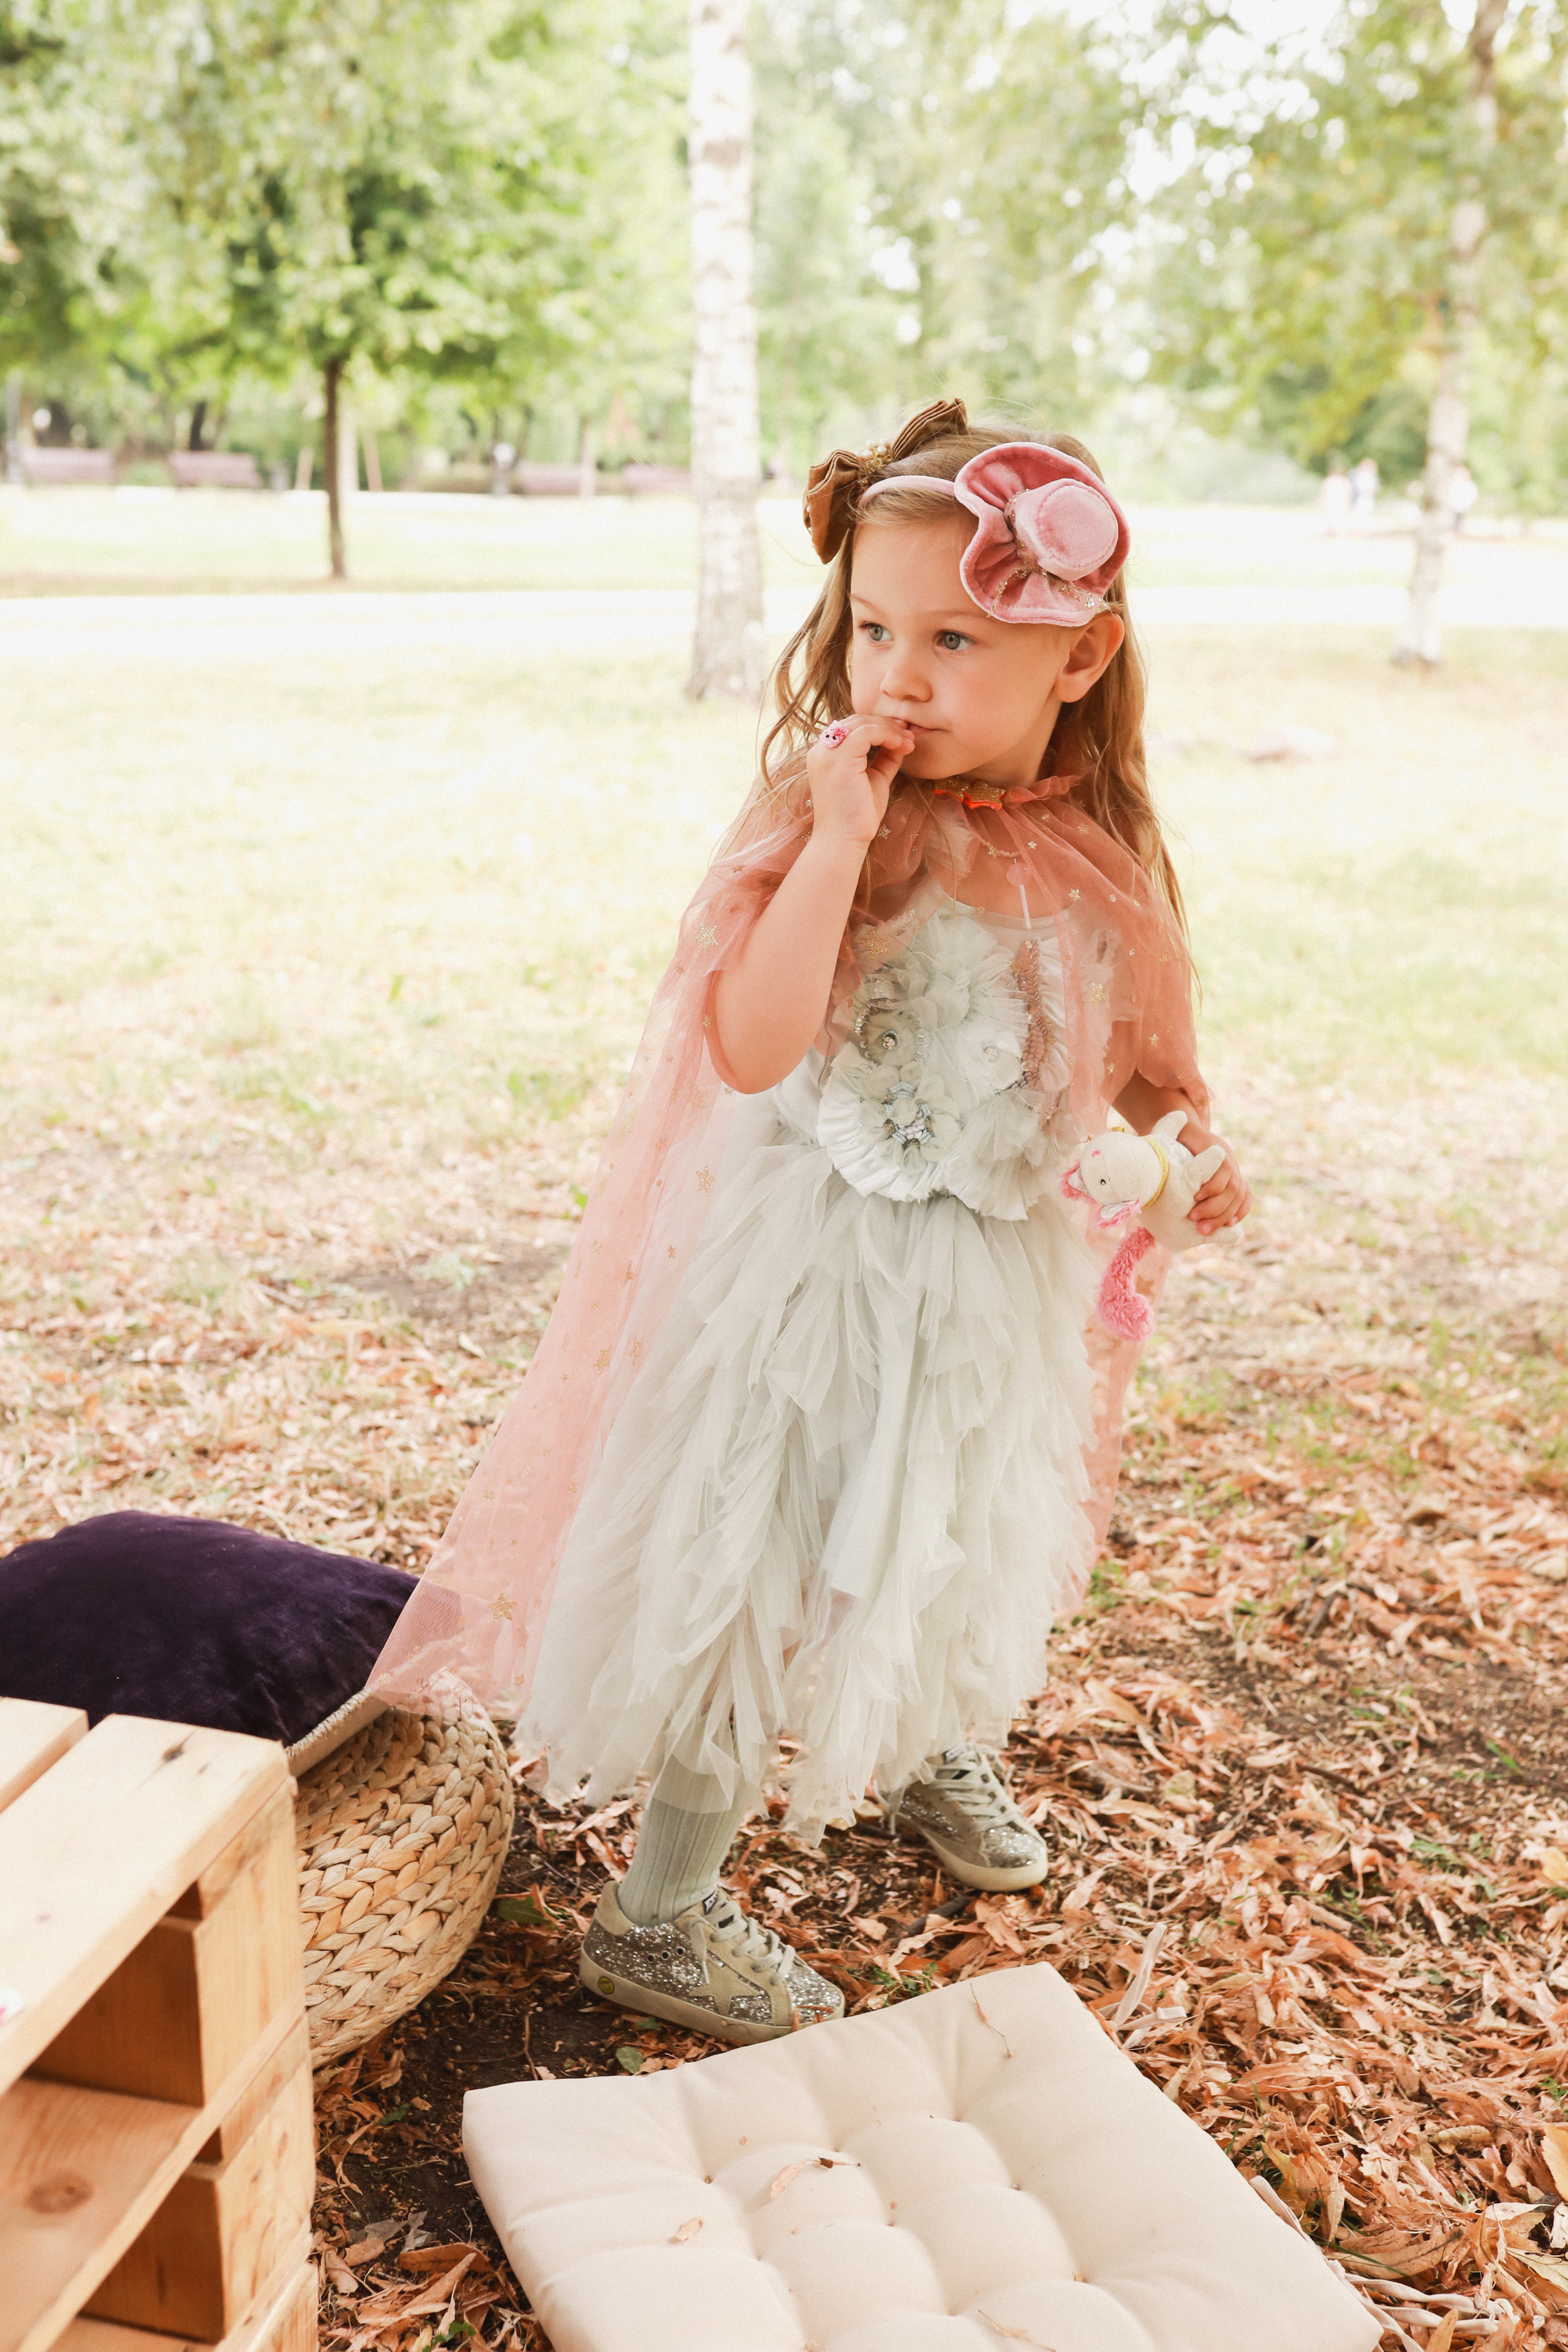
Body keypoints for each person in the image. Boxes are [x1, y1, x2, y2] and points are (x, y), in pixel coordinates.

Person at [370, 399, 1251, 2044]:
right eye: (872, 630)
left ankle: (916, 1741)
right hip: (811, 1260)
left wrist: (1183, 1147)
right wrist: (840, 845)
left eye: (953, 639)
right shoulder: (840, 817)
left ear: (1080, 654)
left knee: (944, 1519)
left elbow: (1136, 1062)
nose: (897, 675)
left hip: (992, 1271)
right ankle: (662, 1909)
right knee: (755, 1539)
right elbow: (752, 1044)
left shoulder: (1095, 854)